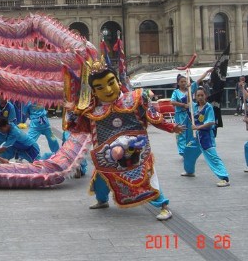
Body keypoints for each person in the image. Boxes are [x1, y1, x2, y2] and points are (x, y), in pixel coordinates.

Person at [70, 63, 183, 221]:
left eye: (111, 83)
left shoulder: (136, 99)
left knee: (146, 178)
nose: (108, 90)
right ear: (94, 91)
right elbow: (77, 128)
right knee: (102, 178)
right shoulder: (91, 110)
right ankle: (102, 200)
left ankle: (163, 206)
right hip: (108, 156)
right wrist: (72, 111)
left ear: (118, 81)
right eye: (100, 87)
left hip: (135, 151)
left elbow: (154, 118)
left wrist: (172, 127)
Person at [181, 87, 230, 187]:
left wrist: (198, 127)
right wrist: (190, 87)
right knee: (188, 152)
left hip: (206, 137)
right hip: (196, 138)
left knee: (213, 157)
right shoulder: (194, 107)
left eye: (202, 95)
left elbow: (211, 122)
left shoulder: (208, 107)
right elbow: (184, 100)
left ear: (205, 96)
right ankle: (190, 171)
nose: (200, 97)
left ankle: (225, 178)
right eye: (198, 95)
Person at [170, 71, 209, 157]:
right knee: (181, 132)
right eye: (182, 82)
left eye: (185, 81)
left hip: (190, 114)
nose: (184, 83)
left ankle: (189, 149)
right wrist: (183, 105)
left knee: (190, 132)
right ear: (178, 83)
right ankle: (183, 151)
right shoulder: (176, 92)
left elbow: (198, 80)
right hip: (180, 115)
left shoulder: (190, 88)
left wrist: (206, 72)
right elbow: (172, 102)